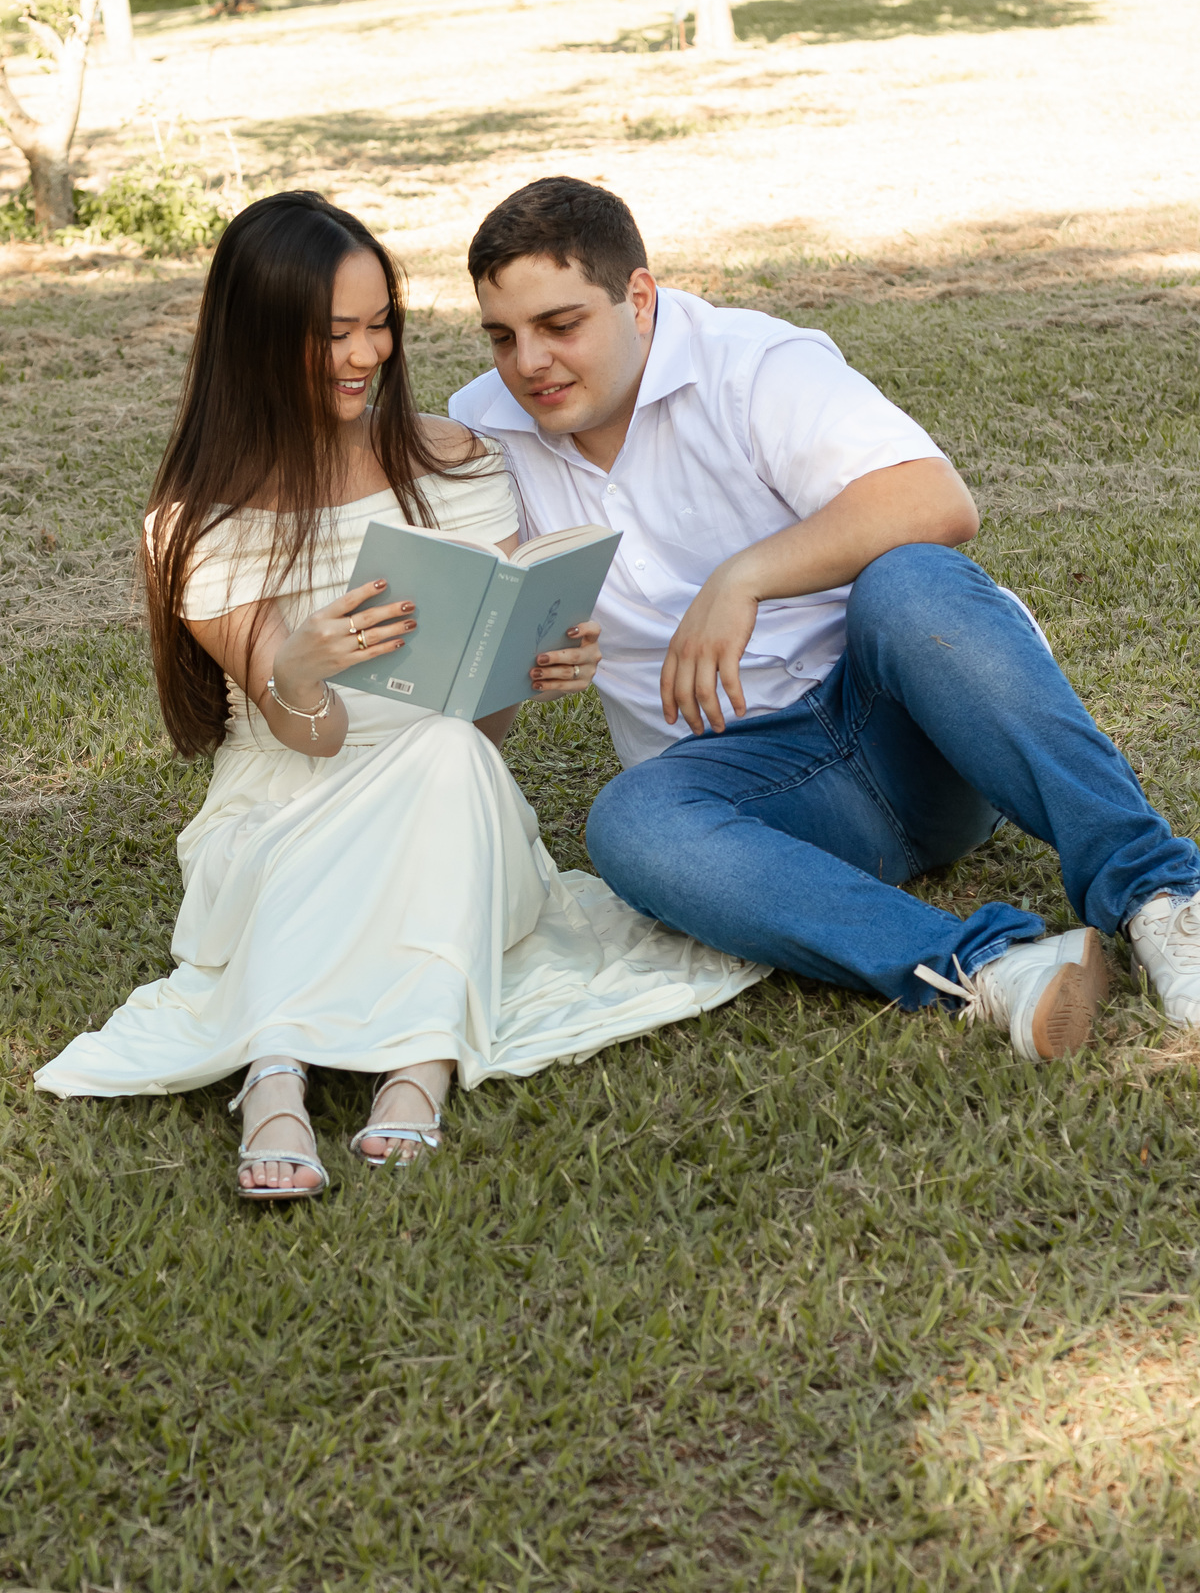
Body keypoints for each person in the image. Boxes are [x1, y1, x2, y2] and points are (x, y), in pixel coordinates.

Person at [34, 192, 763, 1201]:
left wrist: (529, 661)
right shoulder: (196, 523)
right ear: (256, 339)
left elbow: (481, 721)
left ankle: (401, 1066)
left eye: (382, 326)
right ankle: (278, 1067)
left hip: (453, 796)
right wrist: (296, 671)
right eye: (335, 334)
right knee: (409, 767)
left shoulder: (456, 463)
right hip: (288, 796)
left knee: (448, 750)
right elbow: (313, 739)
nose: (367, 354)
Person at [449, 176, 1200, 1059]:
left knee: (913, 581)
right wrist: (532, 652)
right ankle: (991, 967)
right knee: (629, 824)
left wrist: (746, 576)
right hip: (756, 800)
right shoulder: (484, 431)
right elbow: (492, 655)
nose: (527, 362)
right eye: (503, 336)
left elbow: (936, 500)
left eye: (560, 325)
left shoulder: (753, 363)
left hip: (916, 732)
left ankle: (1161, 900)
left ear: (639, 299)